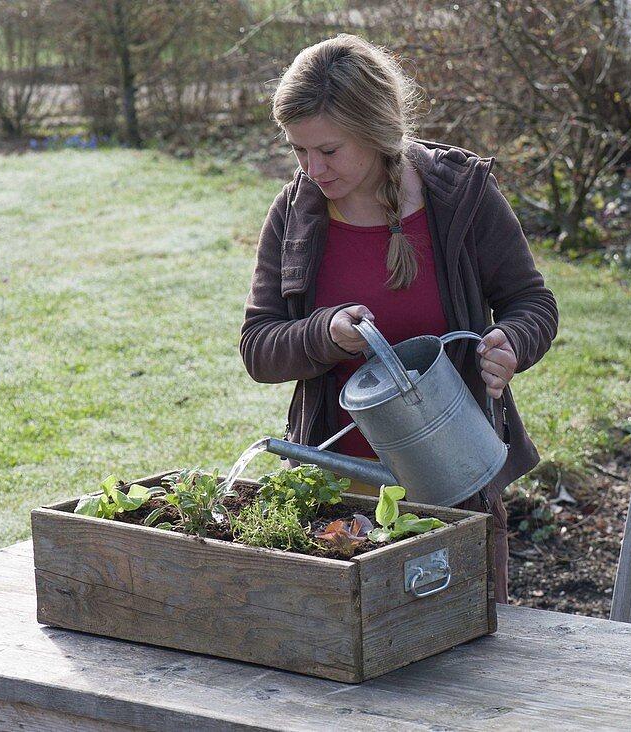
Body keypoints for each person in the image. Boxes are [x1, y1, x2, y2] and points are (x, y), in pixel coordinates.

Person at [239, 34, 558, 603]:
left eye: (329, 151)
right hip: (340, 495)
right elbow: (259, 347)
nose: (312, 169)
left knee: (475, 660)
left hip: (454, 481)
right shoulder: (296, 215)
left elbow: (531, 302)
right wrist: (324, 333)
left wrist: (512, 343)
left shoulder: (462, 197)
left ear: (376, 131)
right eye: (298, 151)